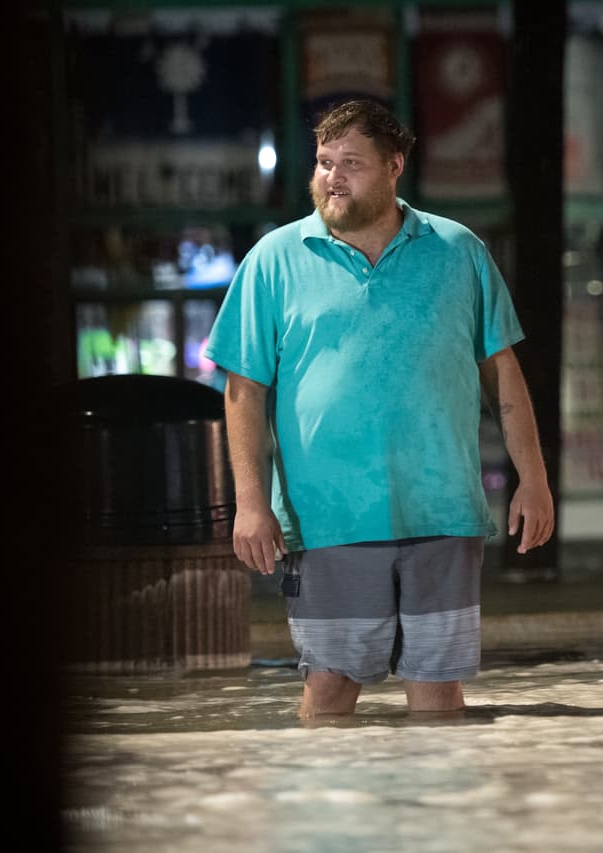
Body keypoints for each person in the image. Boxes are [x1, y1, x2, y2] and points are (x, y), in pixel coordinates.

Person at [204, 99, 554, 718]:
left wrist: (534, 480)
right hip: (327, 519)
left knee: (439, 697)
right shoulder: (274, 261)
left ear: (395, 166)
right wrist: (252, 505)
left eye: (350, 164)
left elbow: (502, 373)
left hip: (442, 511)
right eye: (322, 162)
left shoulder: (458, 250)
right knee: (330, 690)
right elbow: (244, 392)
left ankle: (429, 813)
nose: (331, 177)